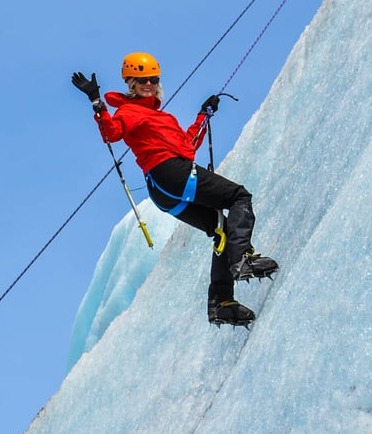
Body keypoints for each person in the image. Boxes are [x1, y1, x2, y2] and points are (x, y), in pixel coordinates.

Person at [72, 51, 278, 327]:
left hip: (163, 191)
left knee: (221, 228)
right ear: (130, 83)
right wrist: (97, 102)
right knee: (239, 196)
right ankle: (242, 260)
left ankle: (222, 303)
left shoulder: (161, 118)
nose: (149, 84)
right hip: (170, 174)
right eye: (142, 80)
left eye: (153, 79)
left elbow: (187, 145)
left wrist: (203, 115)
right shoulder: (128, 112)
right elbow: (112, 133)